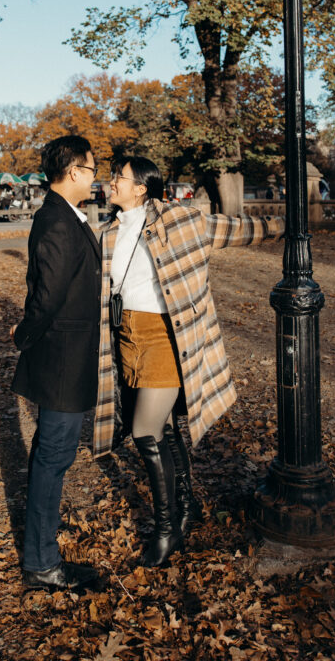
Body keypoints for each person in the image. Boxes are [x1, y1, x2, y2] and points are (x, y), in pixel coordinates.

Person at [93, 155, 282, 567]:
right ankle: (187, 503)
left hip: (165, 336)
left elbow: (233, 228)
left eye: (118, 177)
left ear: (142, 186)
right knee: (163, 428)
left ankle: (167, 530)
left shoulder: (178, 219)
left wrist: (285, 226)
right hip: (127, 335)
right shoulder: (108, 231)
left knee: (144, 432)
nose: (111, 182)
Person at [10, 135, 102, 591]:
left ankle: (42, 545)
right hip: (62, 361)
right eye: (91, 169)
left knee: (52, 454)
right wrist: (23, 336)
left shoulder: (65, 216)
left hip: (69, 356)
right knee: (54, 456)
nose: (95, 176)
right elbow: (46, 297)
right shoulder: (57, 221)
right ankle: (42, 562)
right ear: (71, 171)